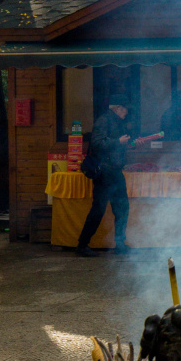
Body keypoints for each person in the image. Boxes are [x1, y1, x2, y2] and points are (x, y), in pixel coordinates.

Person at [76, 94, 132, 257]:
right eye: (124, 109)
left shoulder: (118, 122)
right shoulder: (104, 120)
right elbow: (96, 143)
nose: (126, 113)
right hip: (105, 172)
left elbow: (119, 144)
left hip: (115, 171)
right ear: (116, 108)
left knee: (122, 208)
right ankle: (82, 245)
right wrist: (118, 142)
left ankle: (120, 244)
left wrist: (132, 143)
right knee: (98, 210)